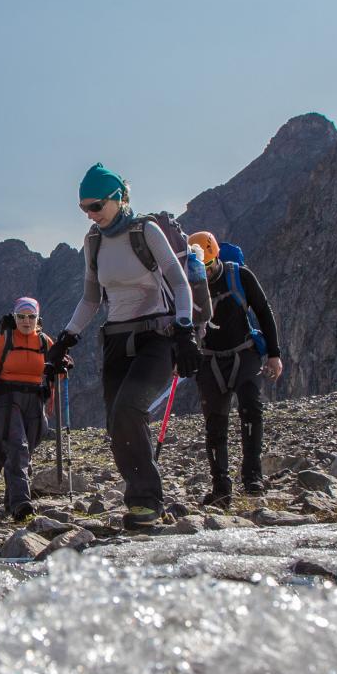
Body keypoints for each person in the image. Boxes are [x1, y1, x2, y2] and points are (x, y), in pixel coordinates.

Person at [47, 165, 199, 528]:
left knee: (130, 407)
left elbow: (179, 284)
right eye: (83, 207)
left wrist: (185, 331)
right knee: (117, 423)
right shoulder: (93, 242)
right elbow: (90, 300)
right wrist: (67, 337)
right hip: (115, 339)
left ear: (118, 198)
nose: (90, 214)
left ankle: (147, 500)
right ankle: (139, 500)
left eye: (96, 205)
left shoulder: (146, 231)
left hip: (157, 337)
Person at [186, 231, 284, 505]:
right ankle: (221, 487)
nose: (202, 274)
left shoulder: (240, 276)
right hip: (209, 359)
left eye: (206, 267)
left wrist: (274, 354)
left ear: (215, 256)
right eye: (197, 268)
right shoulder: (187, 283)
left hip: (244, 354)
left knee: (251, 410)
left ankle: (253, 477)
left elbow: (264, 312)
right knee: (215, 424)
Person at [0, 297, 52, 521]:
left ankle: (12, 502)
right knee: (17, 448)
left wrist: (63, 365)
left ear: (38, 319)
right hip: (8, 399)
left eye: (31, 317)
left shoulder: (45, 342)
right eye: (21, 317)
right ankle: (22, 503)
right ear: (15, 317)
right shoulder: (3, 341)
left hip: (35, 399)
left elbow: (54, 372)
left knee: (25, 451)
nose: (26, 321)